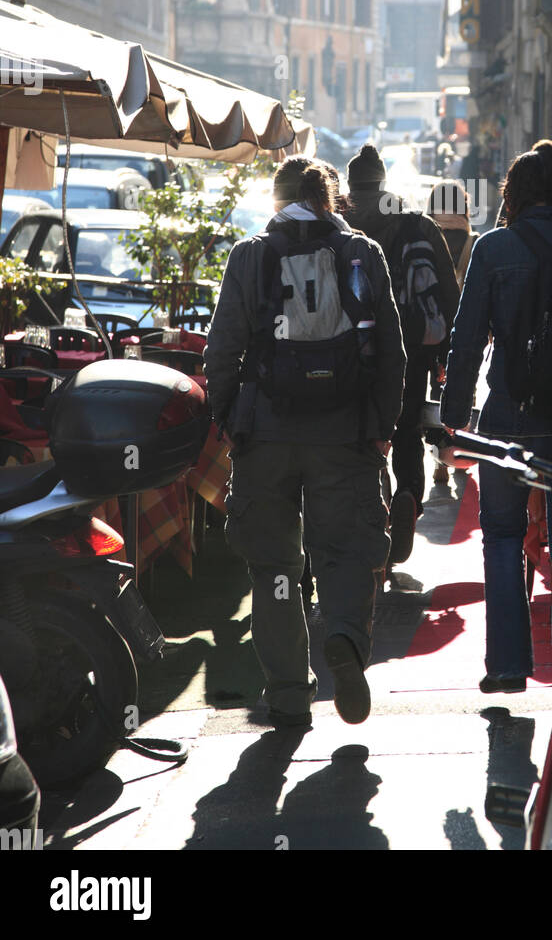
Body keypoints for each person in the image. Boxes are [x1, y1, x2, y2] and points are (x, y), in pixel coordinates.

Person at [203, 156, 406, 730]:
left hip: (265, 434)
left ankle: (289, 695)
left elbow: (223, 350)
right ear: (330, 199)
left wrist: (229, 417)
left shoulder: (250, 256)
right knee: (344, 552)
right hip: (344, 435)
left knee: (274, 567)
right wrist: (382, 427)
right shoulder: (363, 253)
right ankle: (342, 638)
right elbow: (392, 353)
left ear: (276, 200)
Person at [439, 150, 552, 693]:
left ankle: (507, 665)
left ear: (514, 195)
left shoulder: (495, 248)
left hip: (509, 423)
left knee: (501, 535)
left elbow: (467, 338)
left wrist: (452, 420)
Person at [342, 143, 460, 564]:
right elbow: (448, 292)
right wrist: (448, 350)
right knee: (407, 425)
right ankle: (409, 491)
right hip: (411, 346)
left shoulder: (337, 224)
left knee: (359, 430)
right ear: (383, 181)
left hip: (349, 349)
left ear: (352, 183)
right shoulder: (417, 223)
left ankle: (373, 509)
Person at [426, 179, 479, 485]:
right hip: (467, 327)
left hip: (435, 328)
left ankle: (440, 459)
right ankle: (463, 449)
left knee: (436, 390)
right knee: (466, 387)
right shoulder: (472, 241)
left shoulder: (429, 237)